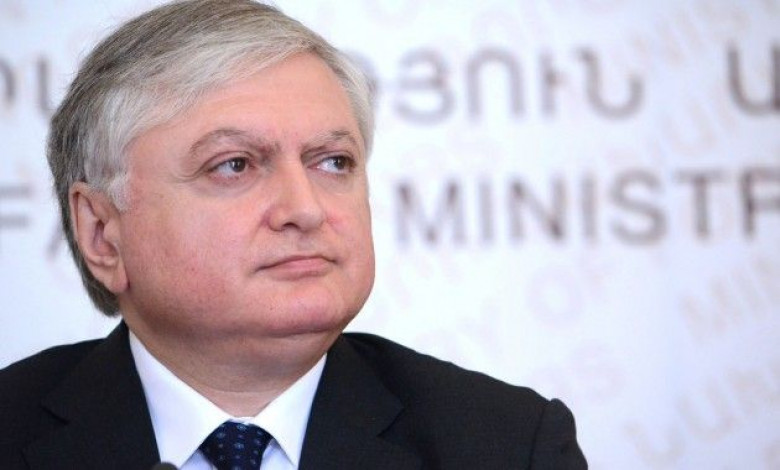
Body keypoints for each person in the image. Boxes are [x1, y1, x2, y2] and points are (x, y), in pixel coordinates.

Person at [0, 1, 587, 469]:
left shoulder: (508, 445)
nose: (305, 210)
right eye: (234, 165)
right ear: (102, 233)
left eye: (332, 162)